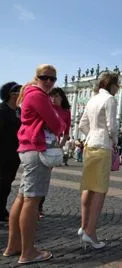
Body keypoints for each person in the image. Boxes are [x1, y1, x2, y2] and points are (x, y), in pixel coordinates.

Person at [5, 64, 64, 264]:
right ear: (36, 77)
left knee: (22, 198)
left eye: (52, 79)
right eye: (44, 77)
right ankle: (28, 252)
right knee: (32, 201)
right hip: (37, 149)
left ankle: (13, 246)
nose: (48, 81)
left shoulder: (30, 93)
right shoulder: (38, 95)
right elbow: (58, 125)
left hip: (28, 149)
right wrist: (55, 110)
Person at [78, 71, 119, 250]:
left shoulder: (92, 99)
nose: (118, 88)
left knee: (88, 187)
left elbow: (82, 125)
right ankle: (91, 232)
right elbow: (111, 126)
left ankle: (83, 226)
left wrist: (92, 135)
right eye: (118, 84)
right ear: (112, 84)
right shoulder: (110, 99)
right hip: (102, 146)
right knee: (100, 190)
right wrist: (115, 142)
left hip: (90, 144)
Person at [39, 87, 72, 218]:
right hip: (41, 144)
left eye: (56, 96)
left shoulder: (66, 111)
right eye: (51, 96)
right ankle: (33, 206)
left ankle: (39, 206)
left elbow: (67, 132)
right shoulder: (47, 108)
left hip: (53, 147)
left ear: (62, 97)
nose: (53, 98)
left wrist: (60, 146)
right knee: (38, 176)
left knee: (45, 178)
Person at [0, 82, 22, 224]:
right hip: (2, 153)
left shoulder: (19, 112)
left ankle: (2, 209)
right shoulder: (2, 111)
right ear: (11, 94)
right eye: (18, 92)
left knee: (7, 183)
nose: (21, 94)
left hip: (15, 155)